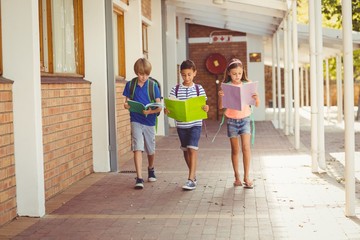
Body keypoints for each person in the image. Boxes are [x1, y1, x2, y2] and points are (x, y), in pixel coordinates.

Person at [165, 60, 209, 190]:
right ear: (180, 74)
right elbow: (170, 106)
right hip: (181, 125)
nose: (187, 77)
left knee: (192, 148)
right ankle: (193, 175)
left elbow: (204, 105)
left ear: (194, 73)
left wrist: (206, 108)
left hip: (195, 124)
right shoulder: (175, 89)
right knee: (185, 150)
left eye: (189, 74)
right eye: (184, 75)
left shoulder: (198, 88)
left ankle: (190, 179)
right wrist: (168, 110)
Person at [218, 58, 260, 189]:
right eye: (234, 73)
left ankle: (246, 176)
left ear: (243, 73)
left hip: (245, 119)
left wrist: (256, 98)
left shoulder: (247, 84)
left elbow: (257, 104)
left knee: (246, 148)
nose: (237, 76)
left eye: (240, 73)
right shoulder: (226, 86)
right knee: (235, 150)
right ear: (229, 73)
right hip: (231, 120)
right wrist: (220, 96)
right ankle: (237, 176)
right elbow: (221, 107)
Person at [123, 58, 162, 189]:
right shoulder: (130, 85)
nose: (143, 77)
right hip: (136, 119)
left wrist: (150, 111)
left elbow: (159, 107)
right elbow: (127, 102)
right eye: (141, 74)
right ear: (136, 72)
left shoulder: (153, 86)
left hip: (149, 121)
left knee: (150, 149)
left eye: (146, 74)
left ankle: (151, 168)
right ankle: (139, 177)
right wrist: (126, 105)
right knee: (137, 147)